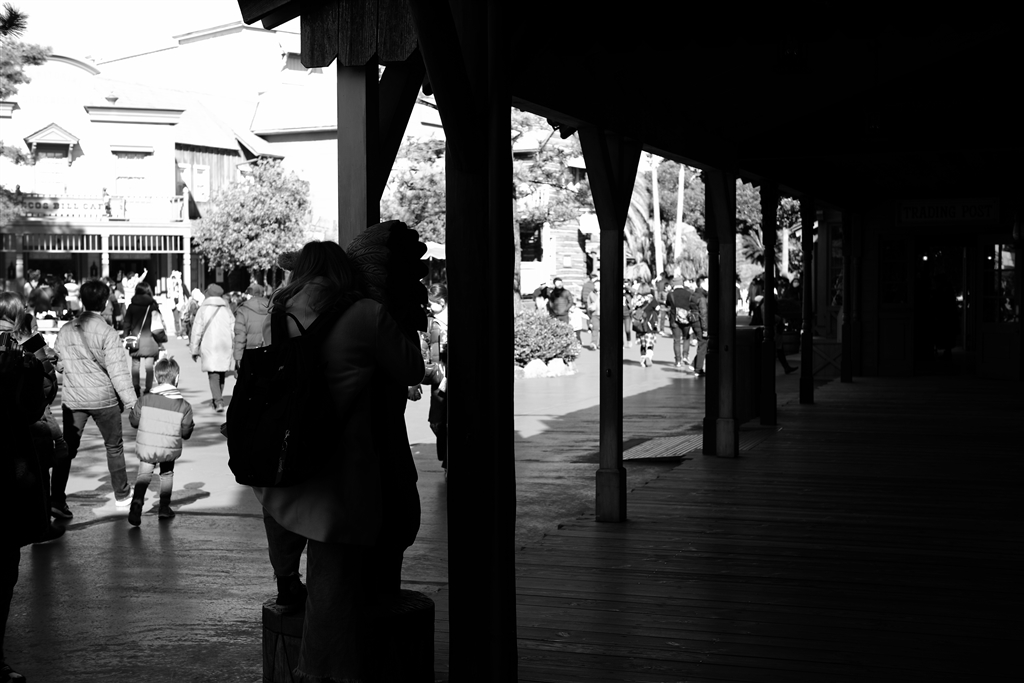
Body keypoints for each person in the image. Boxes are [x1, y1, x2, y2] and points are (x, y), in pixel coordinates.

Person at [253, 239, 425, 681]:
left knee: (280, 513)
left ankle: (286, 578)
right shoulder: (367, 314)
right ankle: (322, 673)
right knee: (332, 578)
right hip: (341, 464)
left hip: (284, 455)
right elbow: (411, 368)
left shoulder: (275, 315)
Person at [52, 278, 139, 516]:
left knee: (67, 449)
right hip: (104, 399)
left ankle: (56, 498)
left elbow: (58, 363)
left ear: (82, 300)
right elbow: (118, 373)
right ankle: (122, 495)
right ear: (104, 302)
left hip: (74, 399)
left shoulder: (66, 330)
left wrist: (71, 367)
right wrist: (132, 403)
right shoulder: (108, 332)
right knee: (114, 447)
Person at [127, 357, 194, 526]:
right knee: (167, 474)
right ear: (176, 378)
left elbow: (134, 422)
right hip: (169, 447)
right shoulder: (184, 406)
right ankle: (164, 507)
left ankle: (136, 505)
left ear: (156, 378)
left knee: (144, 475)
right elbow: (186, 432)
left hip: (147, 446)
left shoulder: (144, 400)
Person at [189, 283, 235, 412]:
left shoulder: (203, 309)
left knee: (213, 374)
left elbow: (196, 331)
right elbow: (233, 328)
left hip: (209, 345)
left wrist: (194, 349)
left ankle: (218, 401)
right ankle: (217, 399)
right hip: (225, 345)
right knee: (221, 372)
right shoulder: (227, 309)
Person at [420, 284, 449, 474]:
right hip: (439, 378)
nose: (429, 307)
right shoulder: (430, 322)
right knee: (436, 421)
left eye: (431, 303)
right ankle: (446, 456)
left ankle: (449, 461)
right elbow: (426, 350)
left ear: (442, 302)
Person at [122, 281, 166, 397]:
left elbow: (126, 323)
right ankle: (148, 389)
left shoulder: (132, 306)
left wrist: (125, 336)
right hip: (151, 340)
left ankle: (136, 387)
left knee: (135, 365)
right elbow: (158, 323)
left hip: (135, 340)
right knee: (149, 367)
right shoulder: (153, 306)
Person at [233, 283, 270, 369]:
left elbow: (240, 336)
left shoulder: (243, 309)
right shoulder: (272, 307)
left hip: (250, 353)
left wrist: (238, 357)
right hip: (269, 352)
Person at [665, 274, 693, 369]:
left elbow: (667, 305)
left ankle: (678, 361)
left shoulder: (671, 294)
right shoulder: (689, 293)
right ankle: (685, 356)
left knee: (676, 340)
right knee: (686, 338)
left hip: (674, 319)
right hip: (687, 319)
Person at [631, 283, 659, 367]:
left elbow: (633, 309)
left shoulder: (637, 299)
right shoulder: (651, 299)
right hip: (649, 324)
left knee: (642, 344)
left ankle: (642, 359)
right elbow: (657, 308)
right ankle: (648, 356)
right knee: (650, 343)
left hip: (639, 324)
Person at [690, 275, 710, 377]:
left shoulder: (694, 295)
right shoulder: (702, 297)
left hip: (694, 321)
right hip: (700, 323)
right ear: (702, 284)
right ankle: (698, 369)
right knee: (703, 344)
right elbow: (703, 314)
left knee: (702, 344)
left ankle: (694, 364)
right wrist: (705, 329)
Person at [167, 270, 184, 336]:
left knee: (182, 319)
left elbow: (186, 293)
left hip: (181, 304)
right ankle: (178, 333)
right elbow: (169, 294)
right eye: (173, 278)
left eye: (175, 278)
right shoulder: (170, 286)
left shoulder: (181, 285)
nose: (174, 280)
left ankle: (183, 332)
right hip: (173, 304)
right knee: (176, 319)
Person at [586, 277, 601, 350]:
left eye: (598, 285)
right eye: (595, 285)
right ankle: (593, 343)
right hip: (594, 314)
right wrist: (589, 312)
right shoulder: (591, 294)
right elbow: (588, 304)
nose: (596, 286)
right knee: (595, 329)